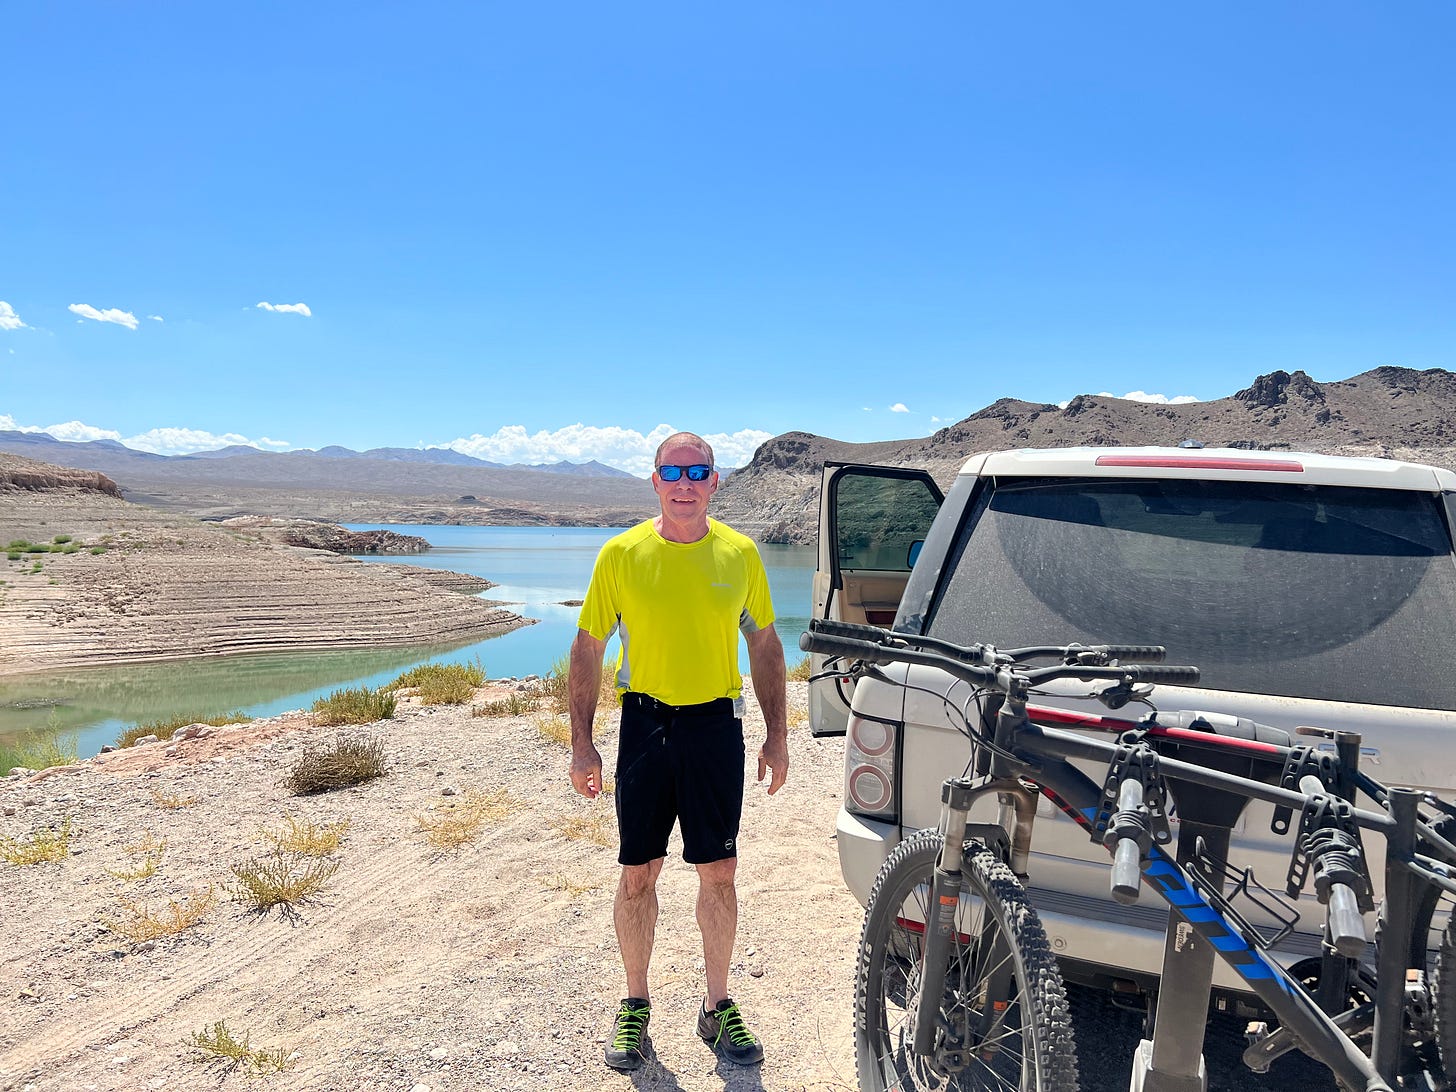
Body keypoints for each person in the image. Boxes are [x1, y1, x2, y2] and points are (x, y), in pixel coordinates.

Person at [568, 430, 789, 1072]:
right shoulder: (621, 554)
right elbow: (588, 647)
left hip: (714, 726)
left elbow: (765, 644)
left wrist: (777, 735)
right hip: (644, 724)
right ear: (655, 480)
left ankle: (717, 1006)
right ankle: (635, 1004)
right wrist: (582, 744)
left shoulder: (740, 554)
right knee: (639, 872)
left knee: (719, 871)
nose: (684, 484)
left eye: (697, 472)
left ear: (715, 481)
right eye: (672, 472)